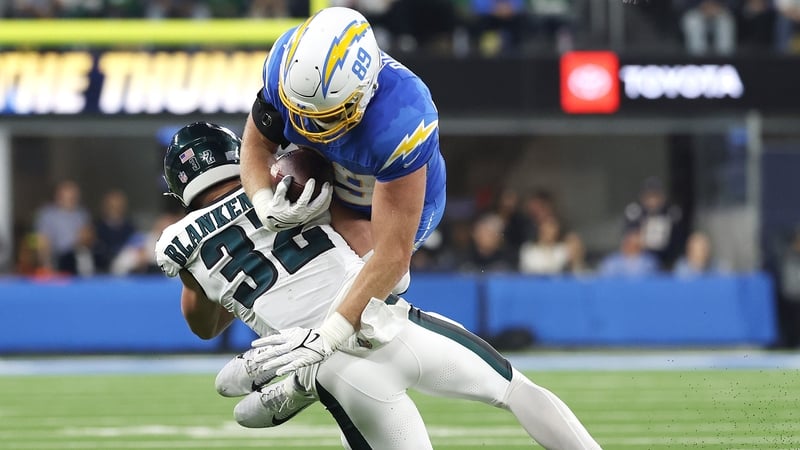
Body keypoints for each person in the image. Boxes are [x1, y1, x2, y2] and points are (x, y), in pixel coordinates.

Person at [155, 122, 601, 449]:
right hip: (389, 325)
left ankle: (303, 385)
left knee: (247, 401)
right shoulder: (291, 178)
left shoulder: (181, 241)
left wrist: (211, 277)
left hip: (333, 370)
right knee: (514, 389)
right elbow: (371, 243)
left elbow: (203, 325)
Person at [239, 6, 447, 375]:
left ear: (365, 91)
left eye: (330, 114)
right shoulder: (283, 71)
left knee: (377, 283)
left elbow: (391, 257)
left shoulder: (401, 118)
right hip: (335, 189)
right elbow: (255, 148)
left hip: (388, 199)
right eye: (304, 112)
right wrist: (263, 203)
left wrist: (325, 337)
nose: (315, 125)